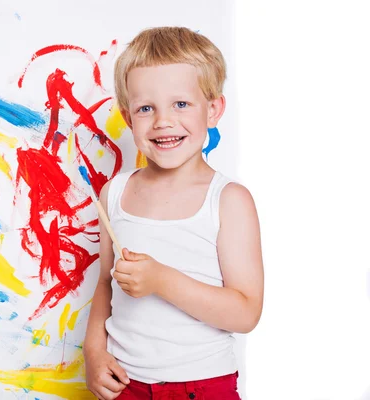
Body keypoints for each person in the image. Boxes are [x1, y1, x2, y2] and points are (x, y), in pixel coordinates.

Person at [83, 26, 264, 400]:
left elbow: (246, 313)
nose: (163, 121)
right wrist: (94, 353)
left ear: (213, 110)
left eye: (181, 104)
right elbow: (105, 282)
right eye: (146, 108)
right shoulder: (114, 193)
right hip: (124, 384)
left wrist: (162, 280)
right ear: (128, 118)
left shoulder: (229, 200)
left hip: (202, 386)